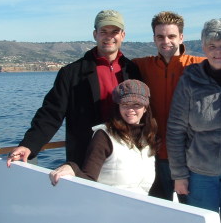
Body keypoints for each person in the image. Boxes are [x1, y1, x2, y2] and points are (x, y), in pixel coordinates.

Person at [7, 10, 141, 168]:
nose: (109, 37)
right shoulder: (71, 73)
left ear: (123, 35)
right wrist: (29, 144)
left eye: (114, 32)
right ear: (95, 34)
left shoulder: (133, 70)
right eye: (103, 31)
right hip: (87, 158)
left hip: (126, 156)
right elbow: (52, 112)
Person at [167, 18, 221, 223]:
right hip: (200, 174)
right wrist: (179, 175)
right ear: (204, 48)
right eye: (212, 46)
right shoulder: (190, 80)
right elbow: (175, 130)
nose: (218, 52)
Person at [132, 11, 204, 200]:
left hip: (190, 158)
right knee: (158, 213)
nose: (166, 41)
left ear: (181, 37)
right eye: (160, 36)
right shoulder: (141, 65)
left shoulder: (199, 66)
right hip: (154, 156)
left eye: (172, 36)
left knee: (192, 213)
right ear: (154, 39)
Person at [49, 79, 158, 195]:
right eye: (125, 104)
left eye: (137, 105)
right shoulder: (104, 136)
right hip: (109, 206)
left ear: (145, 108)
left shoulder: (148, 137)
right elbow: (89, 179)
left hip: (141, 206)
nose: (130, 109)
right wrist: (72, 168)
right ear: (118, 107)